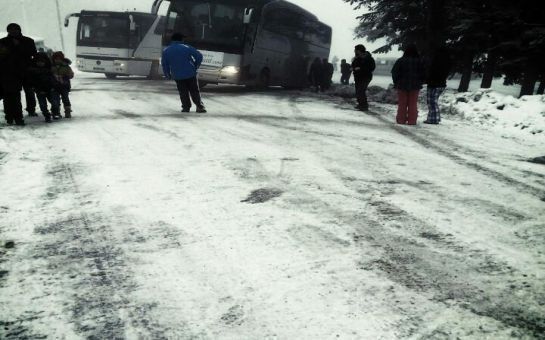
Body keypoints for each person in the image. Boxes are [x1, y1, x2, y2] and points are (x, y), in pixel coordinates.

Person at [0, 23, 37, 126]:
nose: (13, 31)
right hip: (9, 73)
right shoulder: (3, 42)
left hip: (25, 71)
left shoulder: (28, 41)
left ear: (19, 30)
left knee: (28, 92)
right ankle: (12, 117)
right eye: (11, 29)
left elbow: (33, 53)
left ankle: (30, 110)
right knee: (11, 96)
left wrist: (18, 47)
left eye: (15, 29)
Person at [162, 33, 206, 113]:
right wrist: (196, 65)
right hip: (190, 73)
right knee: (194, 91)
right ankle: (199, 106)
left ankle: (186, 107)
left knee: (183, 92)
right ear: (181, 39)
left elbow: (165, 64)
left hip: (177, 75)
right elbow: (199, 56)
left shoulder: (166, 51)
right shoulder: (186, 47)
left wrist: (167, 74)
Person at [391, 44, 425, 125]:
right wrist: (420, 82)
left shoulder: (400, 60)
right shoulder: (419, 61)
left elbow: (394, 72)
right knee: (413, 104)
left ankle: (401, 120)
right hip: (415, 85)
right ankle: (412, 121)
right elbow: (423, 73)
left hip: (402, 85)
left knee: (402, 103)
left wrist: (396, 82)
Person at [424, 46, 452, 124]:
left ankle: (434, 119)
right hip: (442, 83)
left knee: (432, 102)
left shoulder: (435, 60)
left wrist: (427, 79)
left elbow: (431, 71)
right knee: (434, 101)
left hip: (433, 83)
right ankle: (433, 118)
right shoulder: (447, 61)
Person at [27, 52, 55, 123]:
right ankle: (47, 115)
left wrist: (53, 87)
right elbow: (31, 81)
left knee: (54, 103)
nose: (40, 63)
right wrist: (35, 88)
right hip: (39, 90)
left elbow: (52, 80)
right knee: (43, 105)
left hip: (49, 89)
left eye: (42, 62)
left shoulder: (49, 71)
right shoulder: (33, 72)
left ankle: (54, 112)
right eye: (38, 62)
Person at [351, 44, 375, 111]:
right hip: (358, 77)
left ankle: (364, 106)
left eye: (355, 50)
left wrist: (360, 68)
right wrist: (352, 68)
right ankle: (360, 104)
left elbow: (372, 67)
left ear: (359, 50)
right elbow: (353, 65)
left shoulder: (368, 58)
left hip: (365, 77)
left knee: (361, 90)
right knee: (358, 91)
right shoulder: (357, 58)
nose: (354, 51)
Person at [51, 51, 74, 119]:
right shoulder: (51, 66)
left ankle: (67, 111)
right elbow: (48, 74)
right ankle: (56, 112)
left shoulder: (66, 66)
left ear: (62, 59)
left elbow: (71, 75)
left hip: (64, 85)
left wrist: (66, 76)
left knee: (65, 99)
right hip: (54, 86)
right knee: (55, 100)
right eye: (56, 59)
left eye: (59, 59)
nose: (58, 60)